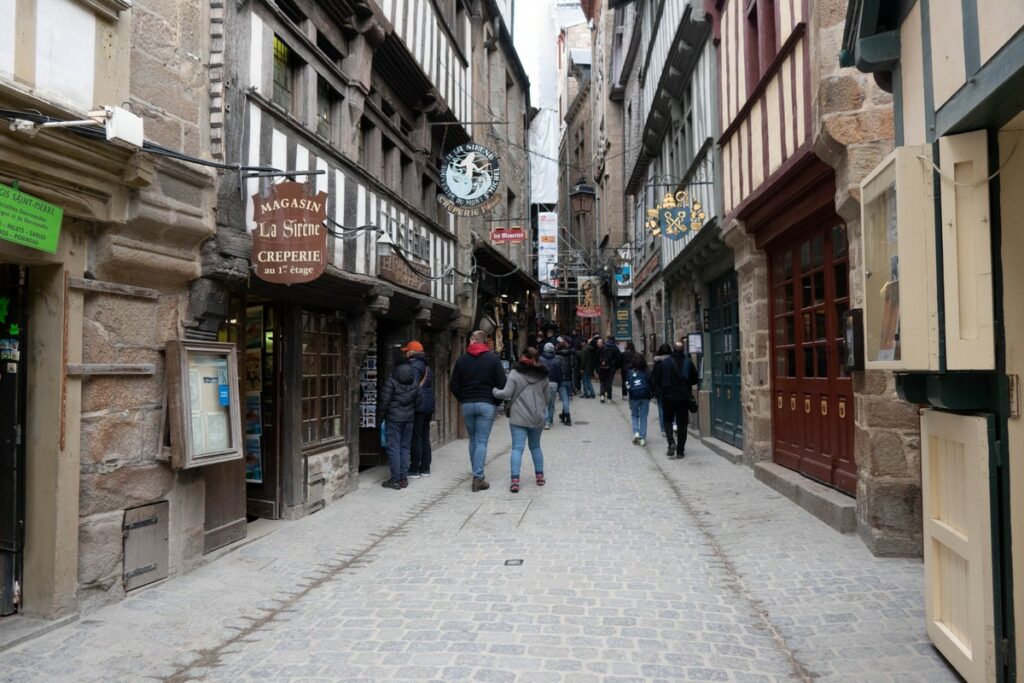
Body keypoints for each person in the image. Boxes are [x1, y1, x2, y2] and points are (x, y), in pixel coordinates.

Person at [450, 330, 507, 491]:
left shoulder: (462, 359)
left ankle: (477, 472)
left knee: (473, 439)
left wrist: (464, 398)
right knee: (481, 441)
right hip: (487, 404)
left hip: (468, 404)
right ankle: (478, 476)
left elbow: (454, 384)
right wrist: (495, 401)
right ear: (485, 342)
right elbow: (502, 383)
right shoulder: (493, 359)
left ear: (472, 340)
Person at [492, 347, 551, 493]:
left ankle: (515, 481)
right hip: (537, 417)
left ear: (523, 356)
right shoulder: (543, 375)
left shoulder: (515, 373)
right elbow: (548, 398)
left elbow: (505, 393)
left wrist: (493, 390)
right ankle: (539, 476)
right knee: (536, 447)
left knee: (517, 448)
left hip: (518, 417)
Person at [379, 352, 421, 490]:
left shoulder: (391, 380)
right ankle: (403, 478)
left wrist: (379, 418)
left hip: (394, 418)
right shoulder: (415, 381)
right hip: (408, 419)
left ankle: (395, 479)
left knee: (394, 447)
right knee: (405, 447)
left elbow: (384, 402)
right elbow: (418, 401)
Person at [651, 341, 699, 458]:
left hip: (668, 397)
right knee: (682, 424)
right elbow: (695, 379)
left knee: (667, 421)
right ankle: (681, 451)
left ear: (673, 349)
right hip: (683, 398)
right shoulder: (688, 363)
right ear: (683, 350)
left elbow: (656, 379)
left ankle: (671, 443)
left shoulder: (665, 363)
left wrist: (660, 392)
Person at [403, 340, 434, 478]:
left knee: (416, 436)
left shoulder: (414, 366)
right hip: (428, 404)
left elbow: (414, 386)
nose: (405, 354)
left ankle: (415, 468)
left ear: (411, 352)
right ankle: (425, 468)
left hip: (419, 405)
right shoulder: (426, 366)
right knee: (424, 436)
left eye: (406, 351)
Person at [626, 354, 652, 446]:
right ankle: (643, 438)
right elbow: (650, 383)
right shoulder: (647, 371)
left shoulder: (629, 372)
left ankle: (636, 432)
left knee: (634, 415)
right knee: (643, 417)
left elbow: (627, 385)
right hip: (645, 396)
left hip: (634, 396)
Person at [651, 343, 673, 436]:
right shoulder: (673, 361)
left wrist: (653, 390)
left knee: (661, 409)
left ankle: (663, 429)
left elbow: (654, 377)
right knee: (673, 408)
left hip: (660, 389)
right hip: (672, 389)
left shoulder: (657, 363)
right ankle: (674, 425)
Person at [538, 342, 560, 429]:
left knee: (544, 403)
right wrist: (559, 383)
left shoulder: (540, 359)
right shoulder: (557, 359)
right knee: (551, 403)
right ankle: (550, 420)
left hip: (543, 382)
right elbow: (559, 373)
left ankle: (546, 421)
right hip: (554, 383)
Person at [555, 341, 576, 425]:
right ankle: (563, 415)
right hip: (569, 379)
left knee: (565, 400)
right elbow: (574, 365)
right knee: (567, 398)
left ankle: (568, 418)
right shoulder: (571, 355)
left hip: (561, 380)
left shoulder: (557, 356)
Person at [597, 335, 621, 402]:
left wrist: (599, 366)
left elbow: (598, 357)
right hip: (611, 368)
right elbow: (619, 358)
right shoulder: (615, 348)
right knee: (609, 382)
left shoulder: (603, 347)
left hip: (602, 367)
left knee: (602, 382)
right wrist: (616, 367)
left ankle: (602, 396)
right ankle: (609, 397)